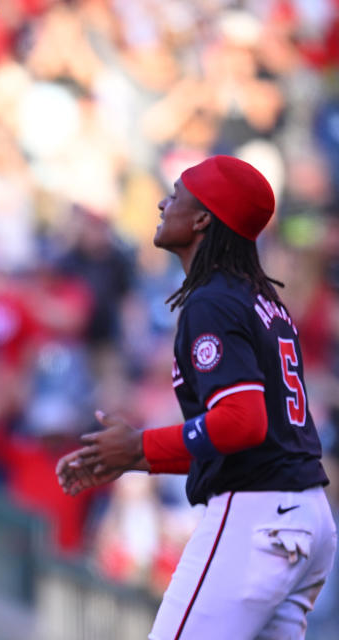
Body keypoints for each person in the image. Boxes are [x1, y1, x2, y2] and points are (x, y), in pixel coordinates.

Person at [56, 155, 338, 639]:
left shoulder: (214, 300)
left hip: (256, 516)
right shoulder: (262, 302)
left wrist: (142, 446)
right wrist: (139, 460)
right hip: (305, 517)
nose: (164, 203)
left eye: (177, 194)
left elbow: (242, 422)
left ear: (204, 217)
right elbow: (251, 437)